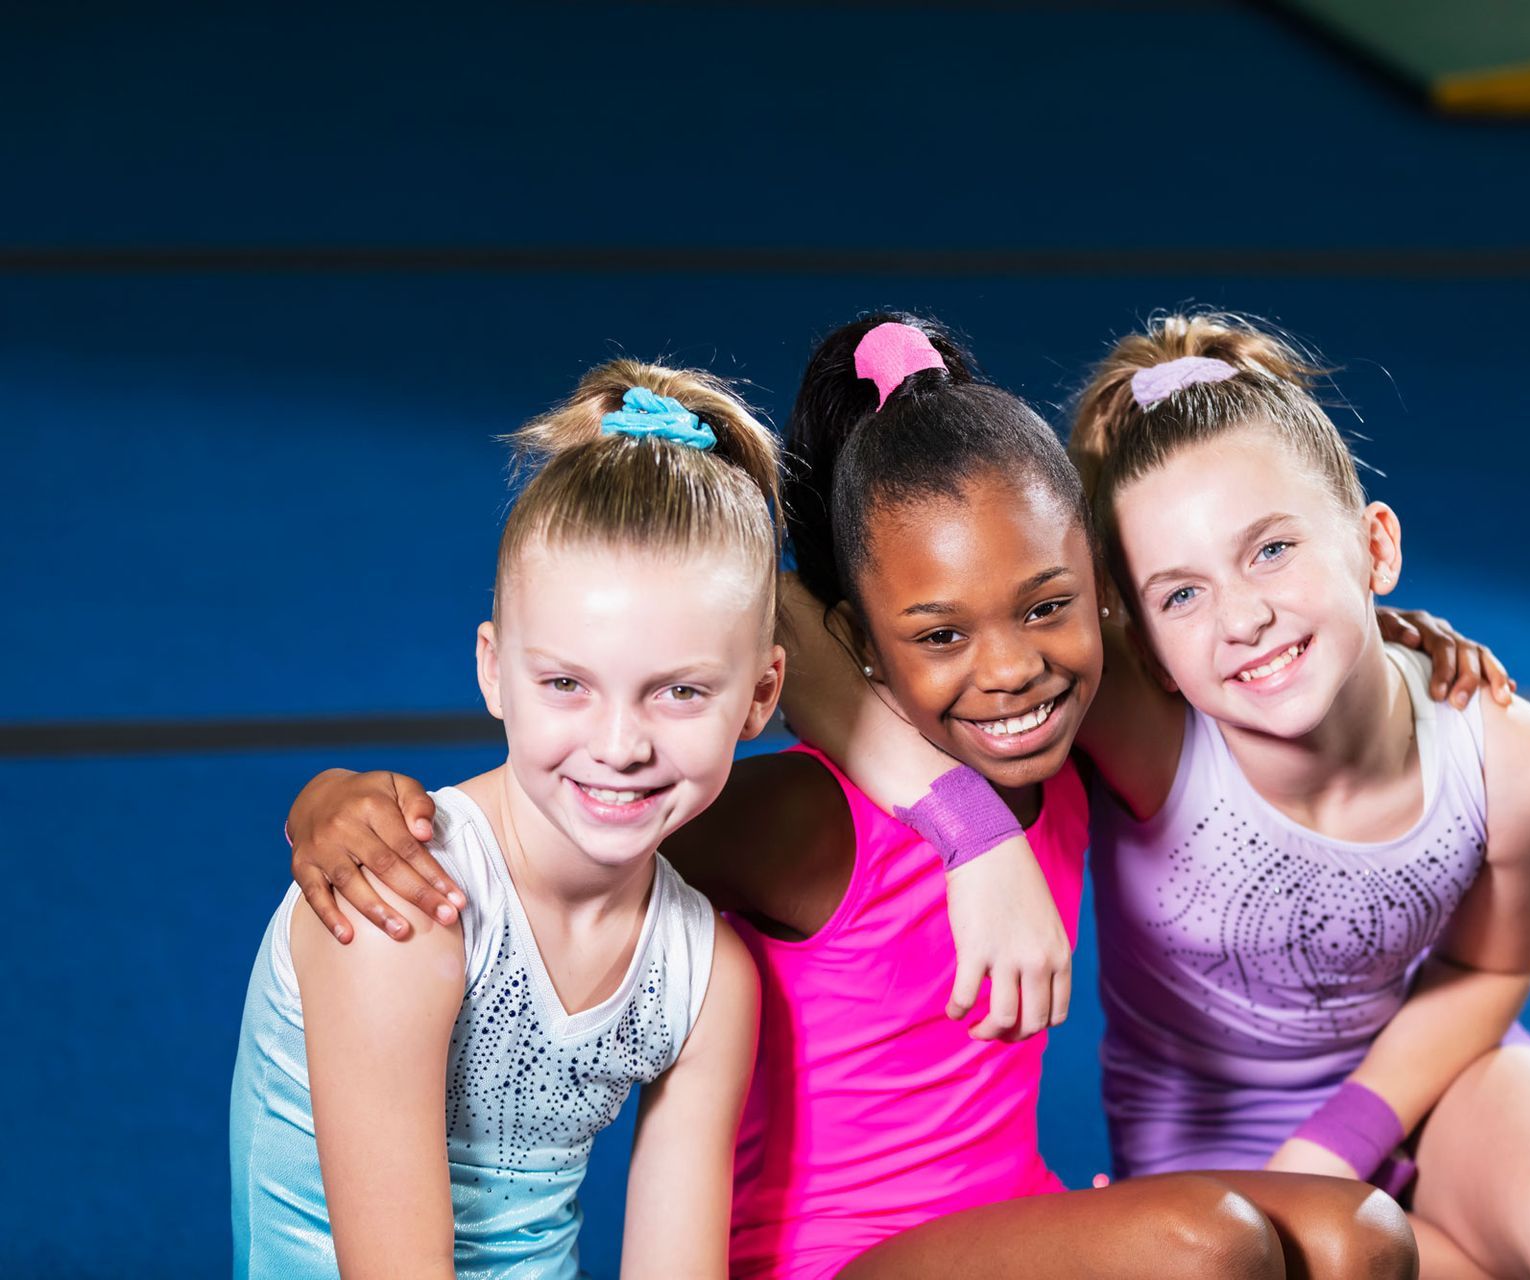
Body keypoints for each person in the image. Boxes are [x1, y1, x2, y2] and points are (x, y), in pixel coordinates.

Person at [283, 315, 1417, 1280]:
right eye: (937, 633)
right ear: (860, 646)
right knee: (1209, 1247)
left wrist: (1399, 633)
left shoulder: (1074, 744)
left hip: (1007, 1218)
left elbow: (1239, 636)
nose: (1011, 667)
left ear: (1101, 599)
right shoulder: (816, 826)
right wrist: (342, 800)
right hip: (835, 1257)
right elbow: (576, 811)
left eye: (1044, 607)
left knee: (1358, 1234)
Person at [1063, 313, 1530, 1279]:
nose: (1243, 616)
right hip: (1210, 1159)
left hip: (1430, 1087)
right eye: (1180, 595)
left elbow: (1487, 976)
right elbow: (866, 643)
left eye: (1273, 549)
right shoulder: (1141, 732)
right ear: (1143, 644)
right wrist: (974, 837)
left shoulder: (1514, 763)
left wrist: (1336, 1145)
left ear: (1376, 545)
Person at [229, 360, 773, 1278]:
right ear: (493, 671)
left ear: (759, 698)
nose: (619, 744)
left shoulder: (707, 981)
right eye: (566, 684)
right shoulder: (403, 899)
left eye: (679, 692)